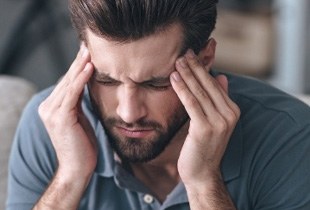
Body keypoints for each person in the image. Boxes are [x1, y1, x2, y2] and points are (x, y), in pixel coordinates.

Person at [6, 0, 310, 209]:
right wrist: (70, 177)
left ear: (204, 60)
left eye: (155, 84)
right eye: (107, 80)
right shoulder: (50, 123)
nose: (128, 112)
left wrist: (204, 184)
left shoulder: (288, 136)